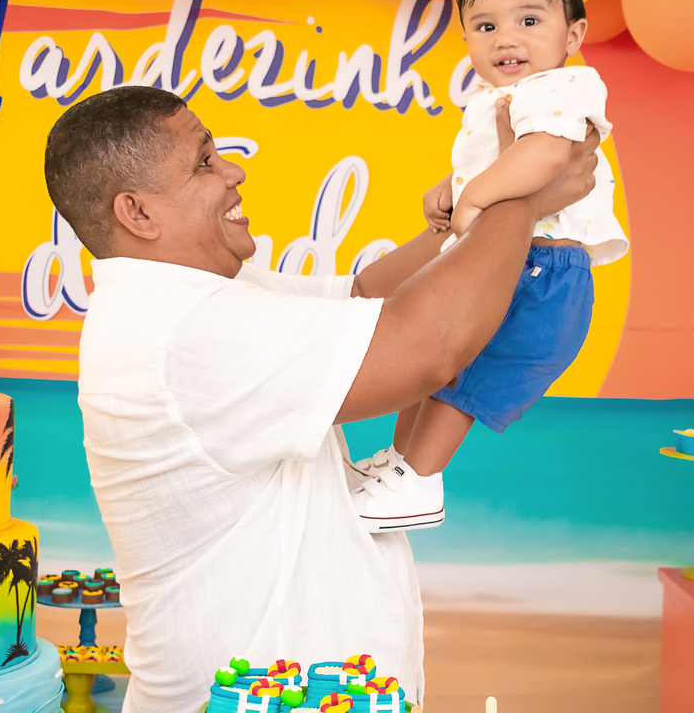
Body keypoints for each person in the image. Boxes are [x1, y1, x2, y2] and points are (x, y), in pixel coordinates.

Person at [42, 84, 597, 713]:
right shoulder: (180, 329)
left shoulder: (198, 293)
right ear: (138, 214)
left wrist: (468, 210)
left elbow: (364, 298)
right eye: (204, 162)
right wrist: (522, 197)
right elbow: (428, 348)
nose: (233, 172)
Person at [349, 0, 629, 532]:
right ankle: (400, 464)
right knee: (424, 359)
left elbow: (547, 155)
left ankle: (419, 480)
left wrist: (474, 197)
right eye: (485, 25)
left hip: (540, 269)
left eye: (529, 20)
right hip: (508, 254)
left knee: (463, 380)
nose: (507, 38)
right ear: (467, 40)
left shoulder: (564, 87)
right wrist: (451, 189)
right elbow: (500, 162)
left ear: (573, 35)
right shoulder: (499, 98)